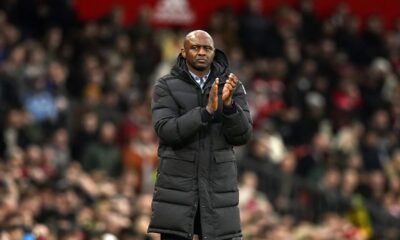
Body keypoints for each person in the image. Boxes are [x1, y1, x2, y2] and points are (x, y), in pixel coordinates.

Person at [147, 30, 252, 240]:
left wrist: (229, 107)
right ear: (183, 52)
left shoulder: (232, 85)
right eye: (195, 47)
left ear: (214, 52)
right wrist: (206, 112)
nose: (202, 52)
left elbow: (243, 136)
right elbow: (166, 130)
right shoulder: (165, 85)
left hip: (217, 191)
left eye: (207, 48)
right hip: (177, 192)